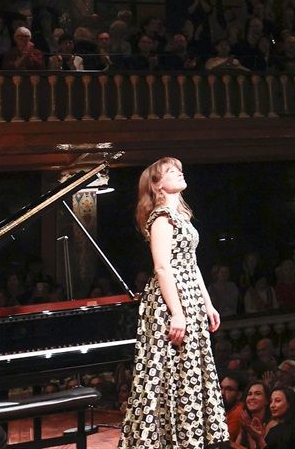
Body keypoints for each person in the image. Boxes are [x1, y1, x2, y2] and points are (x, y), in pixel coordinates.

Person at [118, 157, 230, 448]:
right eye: (171, 172)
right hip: (169, 301)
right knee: (165, 370)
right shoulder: (161, 218)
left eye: (179, 169)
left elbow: (192, 265)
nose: (179, 173)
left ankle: (188, 437)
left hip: (189, 297)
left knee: (188, 370)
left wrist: (207, 304)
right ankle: (158, 440)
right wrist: (176, 313)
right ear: (157, 185)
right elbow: (162, 268)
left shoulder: (181, 217)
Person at [231, 380, 271, 449]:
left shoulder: (271, 425)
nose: (252, 397)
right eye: (249, 394)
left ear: (267, 400)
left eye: (257, 394)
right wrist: (242, 431)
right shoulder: (245, 421)